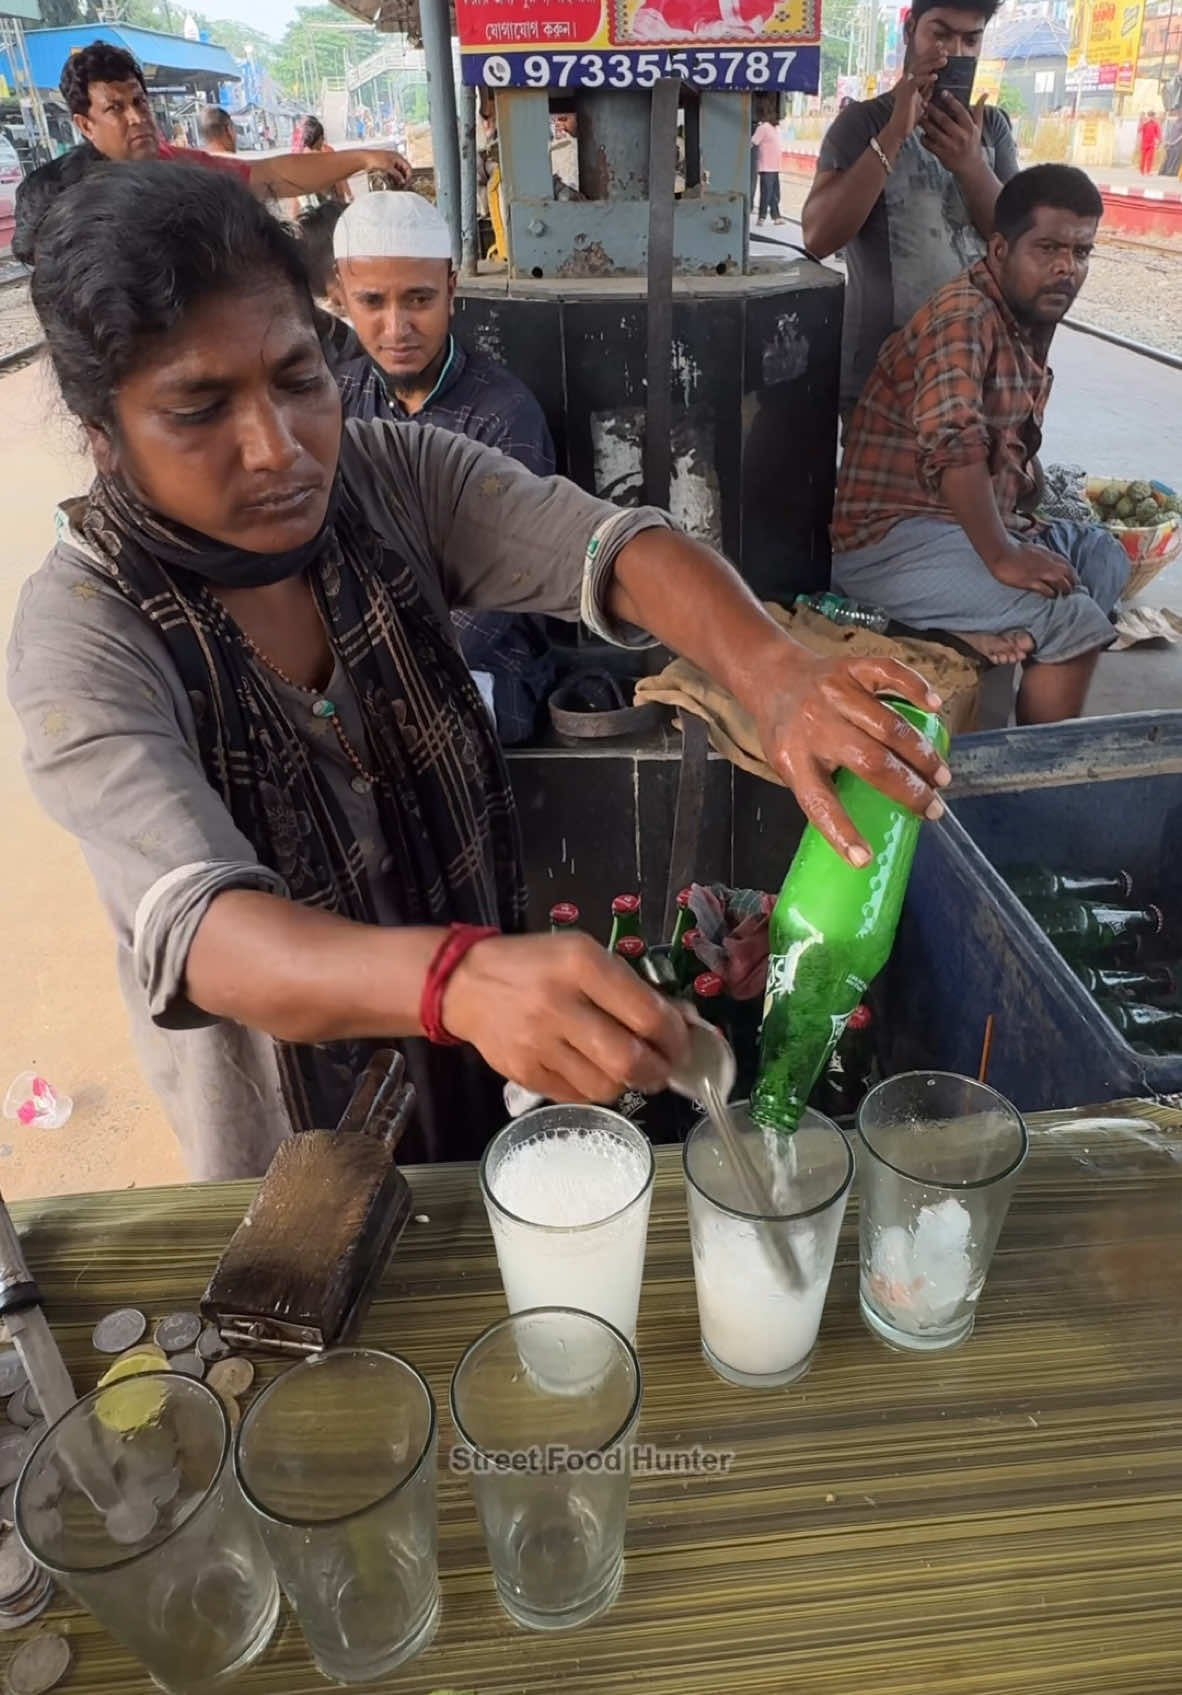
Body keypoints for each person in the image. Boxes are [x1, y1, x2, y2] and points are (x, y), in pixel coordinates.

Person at [8, 162, 949, 1183]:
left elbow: (617, 548)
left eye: (296, 379)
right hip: (292, 1148)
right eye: (198, 410)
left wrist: (773, 673)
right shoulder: (85, 631)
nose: (277, 448)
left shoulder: (389, 474)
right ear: (104, 438)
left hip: (477, 1060)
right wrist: (456, 978)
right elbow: (204, 931)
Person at [831, 165, 1129, 727]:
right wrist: (1004, 557)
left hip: (966, 525)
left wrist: (1025, 504)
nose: (1067, 267)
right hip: (893, 543)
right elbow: (954, 446)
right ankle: (1038, 786)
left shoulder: (1023, 316)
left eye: (1082, 253)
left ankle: (997, 627)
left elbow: (1005, 448)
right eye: (1047, 248)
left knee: (1102, 556)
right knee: (1074, 620)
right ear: (999, 249)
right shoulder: (962, 317)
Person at [327, 192, 560, 744]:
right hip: (363, 663)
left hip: (484, 666)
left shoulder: (504, 414)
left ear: (452, 289)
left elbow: (503, 593)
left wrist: (387, 680)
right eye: (371, 302)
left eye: (418, 299)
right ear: (341, 297)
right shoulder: (334, 399)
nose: (396, 327)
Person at [802, 0, 1020, 422]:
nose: (955, 52)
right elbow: (818, 237)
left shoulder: (991, 128)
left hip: (978, 368)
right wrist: (893, 135)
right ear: (910, 30)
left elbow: (1015, 245)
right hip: (886, 376)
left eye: (970, 40)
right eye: (940, 34)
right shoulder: (862, 124)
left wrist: (972, 166)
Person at [11, 43, 406, 267]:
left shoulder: (179, 167)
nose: (137, 118)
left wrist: (365, 158)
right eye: (116, 108)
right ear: (85, 125)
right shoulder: (72, 198)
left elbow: (268, 175)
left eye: (139, 101)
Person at [751, 115, 785, 225]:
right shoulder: (763, 128)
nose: (779, 119)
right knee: (766, 193)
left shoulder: (774, 128)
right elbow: (753, 142)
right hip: (766, 167)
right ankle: (762, 217)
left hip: (775, 167)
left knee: (775, 193)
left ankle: (776, 217)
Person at [1138, 110, 1162, 175]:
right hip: (1144, 143)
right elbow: (1139, 130)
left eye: (1152, 116)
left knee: (1150, 158)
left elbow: (1158, 133)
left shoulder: (1155, 124)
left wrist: (1159, 141)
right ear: (1148, 116)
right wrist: (1145, 123)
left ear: (1154, 116)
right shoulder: (1145, 123)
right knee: (1143, 157)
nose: (1151, 118)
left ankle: (1148, 171)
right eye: (1150, 116)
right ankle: (1142, 171)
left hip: (1151, 143)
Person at [1162, 108, 1182, 178]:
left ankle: (1173, 172)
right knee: (1169, 156)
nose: (1179, 115)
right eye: (1179, 114)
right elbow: (1171, 132)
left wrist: (1174, 142)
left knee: (1176, 157)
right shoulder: (1176, 121)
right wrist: (1168, 141)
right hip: (1171, 141)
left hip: (1178, 143)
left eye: (1180, 114)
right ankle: (1166, 171)